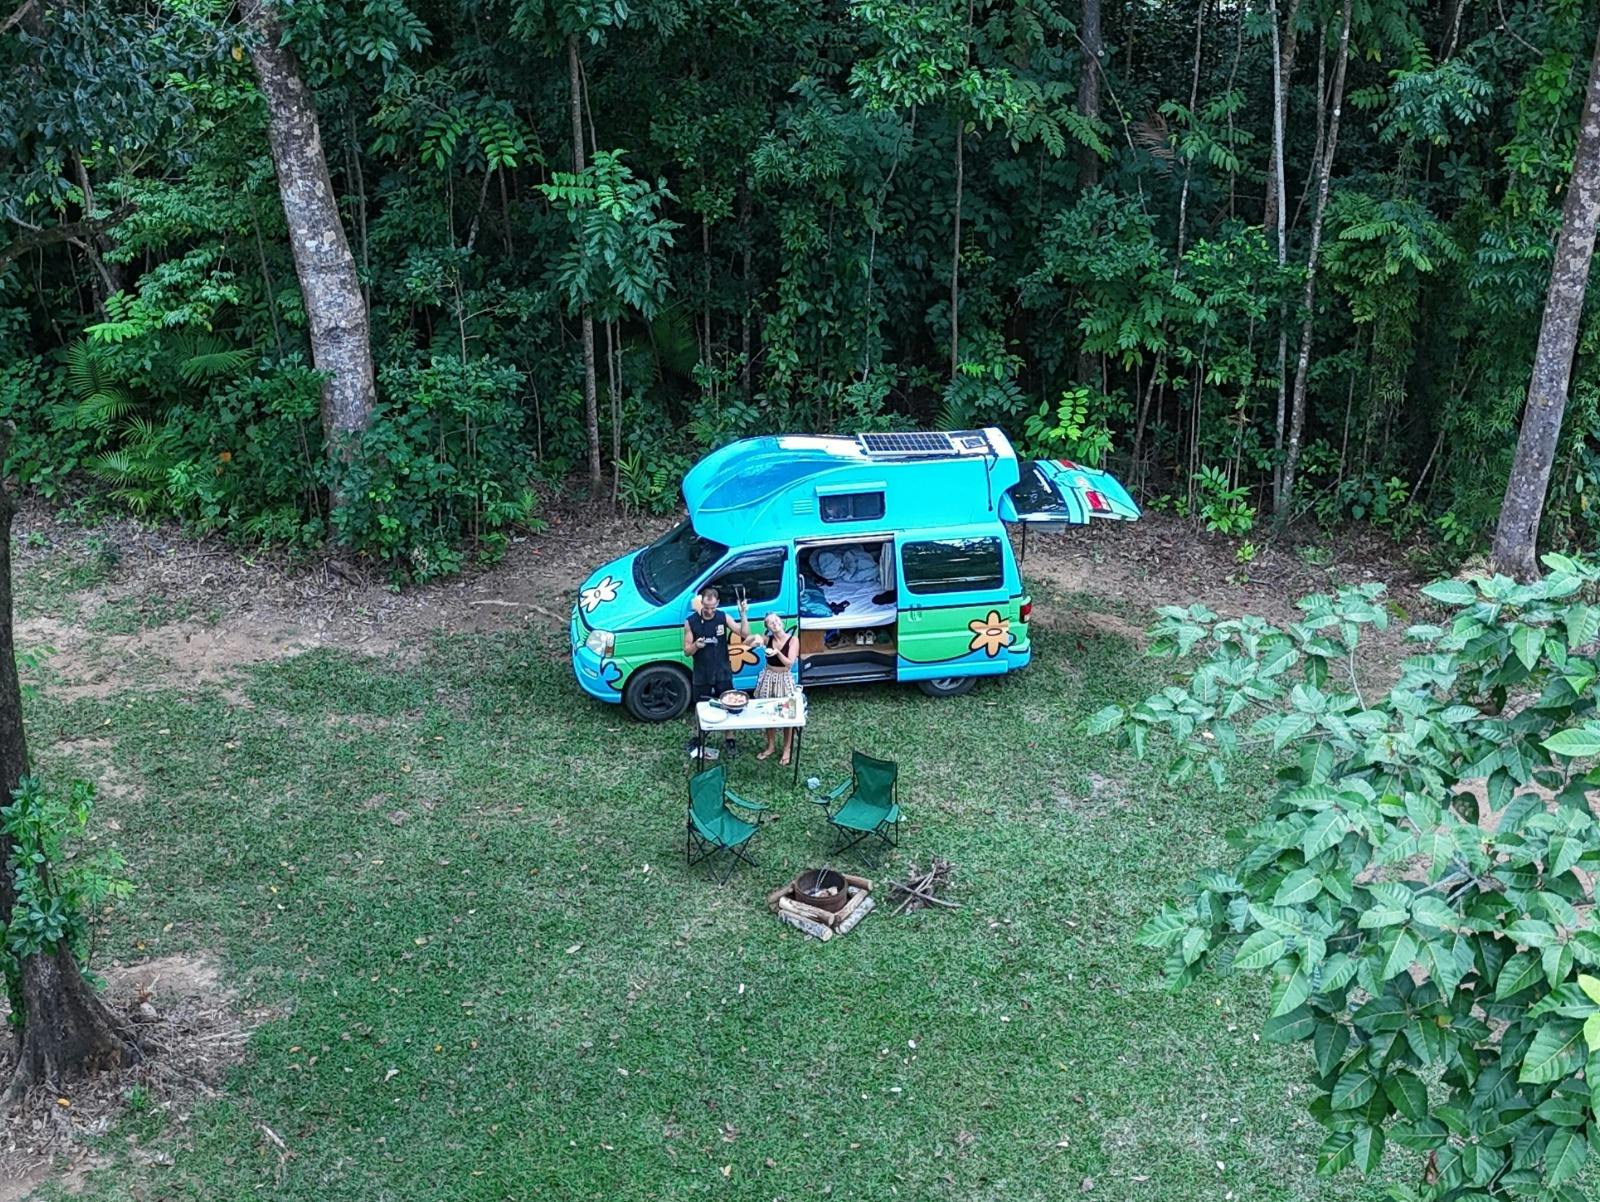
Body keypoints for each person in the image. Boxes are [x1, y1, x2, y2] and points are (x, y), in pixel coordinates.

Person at [683, 586, 749, 759]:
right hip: (702, 671)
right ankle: (700, 737)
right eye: (706, 607)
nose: (709, 611)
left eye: (712, 607)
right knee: (700, 706)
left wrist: (743, 614)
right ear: (701, 603)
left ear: (717, 603)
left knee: (729, 704)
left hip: (722, 670)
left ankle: (730, 739)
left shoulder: (722, 617)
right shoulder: (691, 621)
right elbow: (686, 651)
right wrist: (696, 645)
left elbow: (744, 633)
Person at [752, 612, 798, 764]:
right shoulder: (767, 639)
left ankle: (787, 748)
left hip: (784, 678)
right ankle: (771, 746)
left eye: (777, 620)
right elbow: (747, 640)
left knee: (788, 715)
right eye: (771, 622)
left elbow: (789, 663)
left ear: (782, 622)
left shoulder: (793, 640)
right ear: (768, 627)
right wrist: (755, 639)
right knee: (768, 713)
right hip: (769, 677)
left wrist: (777, 652)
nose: (775, 623)